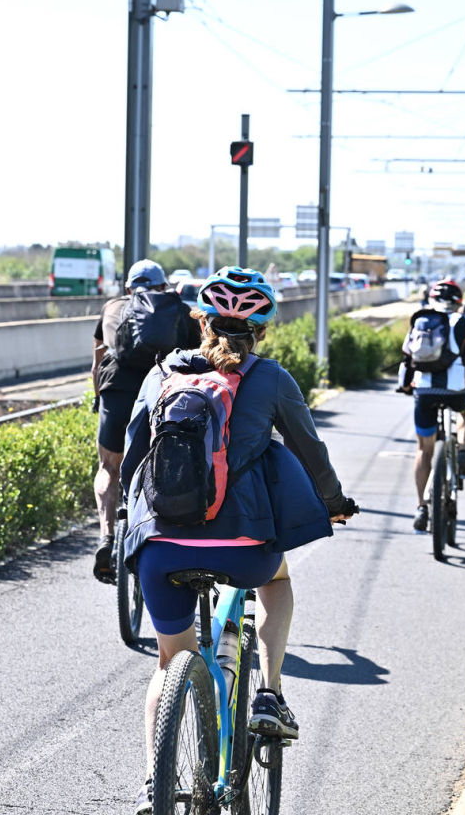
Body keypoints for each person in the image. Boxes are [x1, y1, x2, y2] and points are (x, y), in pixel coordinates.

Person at [119, 268, 355, 814]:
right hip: (244, 546)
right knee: (278, 581)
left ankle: (155, 782)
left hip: (161, 546)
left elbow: (132, 459)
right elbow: (310, 453)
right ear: (262, 333)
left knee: (166, 665)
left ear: (200, 322)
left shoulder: (162, 374)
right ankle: (269, 693)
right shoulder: (271, 379)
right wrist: (335, 503)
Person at [90, 259, 202, 582]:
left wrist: (100, 398)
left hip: (118, 387)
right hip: (164, 388)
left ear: (128, 288)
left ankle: (106, 536)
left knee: (108, 468)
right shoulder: (179, 310)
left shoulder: (112, 308)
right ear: (163, 286)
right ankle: (162, 537)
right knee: (168, 462)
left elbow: (96, 364)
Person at [396, 280, 465, 533]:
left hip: (425, 392)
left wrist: (407, 386)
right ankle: (461, 450)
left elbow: (407, 359)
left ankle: (421, 507)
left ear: (431, 300)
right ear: (459, 302)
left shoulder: (421, 322)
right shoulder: (464, 323)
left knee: (423, 450)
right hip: (457, 392)